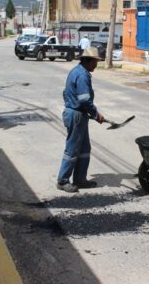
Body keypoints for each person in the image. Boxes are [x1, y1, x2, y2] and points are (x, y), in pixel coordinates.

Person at [57, 47, 105, 192]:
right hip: (76, 116)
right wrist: (96, 114)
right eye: (95, 61)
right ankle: (62, 180)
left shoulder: (77, 71)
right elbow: (84, 100)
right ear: (88, 61)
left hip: (79, 115)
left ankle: (80, 179)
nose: (96, 65)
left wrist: (87, 112)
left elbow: (66, 93)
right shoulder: (82, 75)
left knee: (84, 149)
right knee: (72, 149)